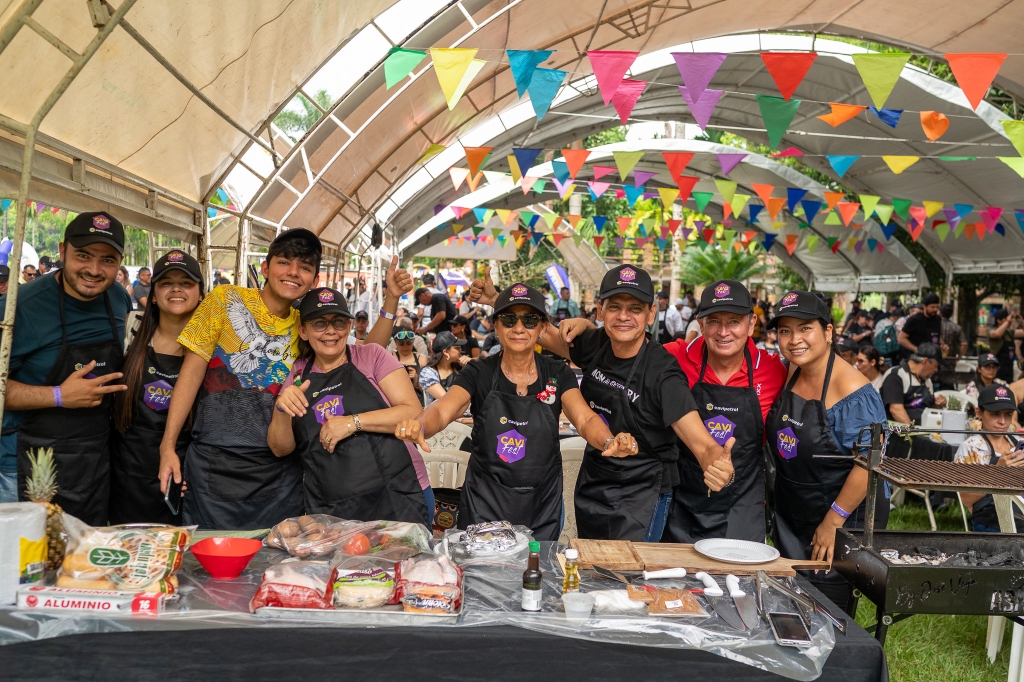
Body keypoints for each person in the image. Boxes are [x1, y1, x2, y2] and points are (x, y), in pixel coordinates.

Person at [158, 230, 411, 530]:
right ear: (265, 268)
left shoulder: (307, 324)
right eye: (284, 262)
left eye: (304, 267)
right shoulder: (225, 300)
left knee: (276, 554)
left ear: (314, 280)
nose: (293, 272)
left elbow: (362, 355)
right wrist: (168, 446)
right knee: (212, 553)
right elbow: (191, 372)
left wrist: (391, 300)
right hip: (215, 461)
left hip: (279, 469)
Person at [471, 265, 735, 542]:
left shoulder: (663, 373)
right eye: (614, 306)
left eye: (635, 308)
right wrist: (496, 299)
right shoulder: (596, 343)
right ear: (600, 310)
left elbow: (701, 443)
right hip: (594, 482)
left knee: (628, 567)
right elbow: (537, 331)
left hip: (641, 493)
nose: (623, 316)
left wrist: (719, 467)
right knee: (591, 566)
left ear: (651, 314)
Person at [396, 283, 637, 541]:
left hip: (542, 504)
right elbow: (444, 409)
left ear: (542, 328)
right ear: (496, 326)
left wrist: (608, 441)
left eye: (530, 320)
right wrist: (420, 426)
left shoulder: (557, 373)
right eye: (509, 319)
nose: (519, 328)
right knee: (481, 567)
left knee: (537, 567)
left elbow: (585, 418)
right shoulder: (478, 373)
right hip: (484, 503)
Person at [3, 212, 133, 523]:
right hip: (25, 465)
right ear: (62, 251)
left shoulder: (117, 298)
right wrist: (59, 395)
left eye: (107, 260)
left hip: (93, 460)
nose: (94, 270)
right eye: (83, 255)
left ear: (120, 263)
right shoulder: (19, 306)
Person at [766, 291, 888, 610]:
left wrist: (834, 522)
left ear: (828, 331)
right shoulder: (791, 371)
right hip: (794, 512)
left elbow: (870, 462)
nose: (794, 339)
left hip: (839, 516)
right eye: (785, 330)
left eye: (805, 328)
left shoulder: (852, 391)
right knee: (786, 607)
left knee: (824, 613)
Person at [268, 288, 429, 524]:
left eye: (339, 322)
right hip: (330, 508)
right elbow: (280, 449)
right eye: (319, 323)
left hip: (396, 493)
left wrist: (353, 422)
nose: (331, 331)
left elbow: (412, 411)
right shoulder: (298, 375)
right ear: (303, 331)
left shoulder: (371, 356)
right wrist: (282, 410)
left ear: (349, 326)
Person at [660, 279, 788, 544]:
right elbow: (627, 349)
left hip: (743, 503)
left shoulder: (774, 370)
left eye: (734, 321)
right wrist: (585, 327)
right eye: (714, 321)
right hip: (682, 500)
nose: (723, 332)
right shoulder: (674, 357)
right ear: (700, 323)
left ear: (751, 324)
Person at [110, 250, 203, 524]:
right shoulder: (130, 330)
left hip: (181, 476)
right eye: (166, 283)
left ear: (201, 293)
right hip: (127, 473)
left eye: (186, 283)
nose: (176, 289)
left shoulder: (214, 347)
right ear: (153, 294)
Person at [954, 384, 1023, 532]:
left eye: (1008, 415)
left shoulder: (1017, 443)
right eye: (995, 414)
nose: (1002, 421)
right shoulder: (971, 447)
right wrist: (998, 472)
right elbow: (966, 498)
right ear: (979, 412)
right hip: (991, 519)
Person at [881, 342, 946, 425]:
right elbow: (896, 409)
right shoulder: (895, 375)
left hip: (925, 429)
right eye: (935, 366)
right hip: (900, 431)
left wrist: (938, 404)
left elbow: (929, 409)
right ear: (925, 361)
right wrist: (913, 431)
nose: (936, 370)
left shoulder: (927, 381)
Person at [419, 331, 468, 407]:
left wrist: (471, 364)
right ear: (445, 352)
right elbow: (446, 401)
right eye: (457, 348)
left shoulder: (460, 367)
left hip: (464, 412)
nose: (460, 350)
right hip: (440, 413)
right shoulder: (428, 373)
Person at [898, 293, 941, 360]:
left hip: (932, 357)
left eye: (937, 307)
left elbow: (938, 335)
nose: (935, 309)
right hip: (914, 357)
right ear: (924, 306)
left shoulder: (937, 319)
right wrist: (916, 349)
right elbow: (901, 339)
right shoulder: (914, 320)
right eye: (932, 307)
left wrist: (942, 344)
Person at [986, 308, 1024, 383]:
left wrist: (1021, 321)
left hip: (1009, 369)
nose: (1010, 321)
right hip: (997, 369)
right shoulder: (991, 330)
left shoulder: (1009, 332)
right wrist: (1008, 320)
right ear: (999, 320)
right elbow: (997, 334)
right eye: (1005, 319)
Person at [392, 326, 427, 405]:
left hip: (418, 402)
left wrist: (416, 379)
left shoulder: (422, 360)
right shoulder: (389, 359)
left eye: (409, 344)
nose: (405, 347)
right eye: (401, 344)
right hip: (397, 402)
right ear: (395, 343)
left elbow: (428, 391)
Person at [938, 303, 967, 389]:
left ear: (939, 312)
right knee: (948, 385)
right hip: (950, 361)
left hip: (935, 361)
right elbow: (964, 343)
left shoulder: (935, 325)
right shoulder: (956, 327)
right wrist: (958, 357)